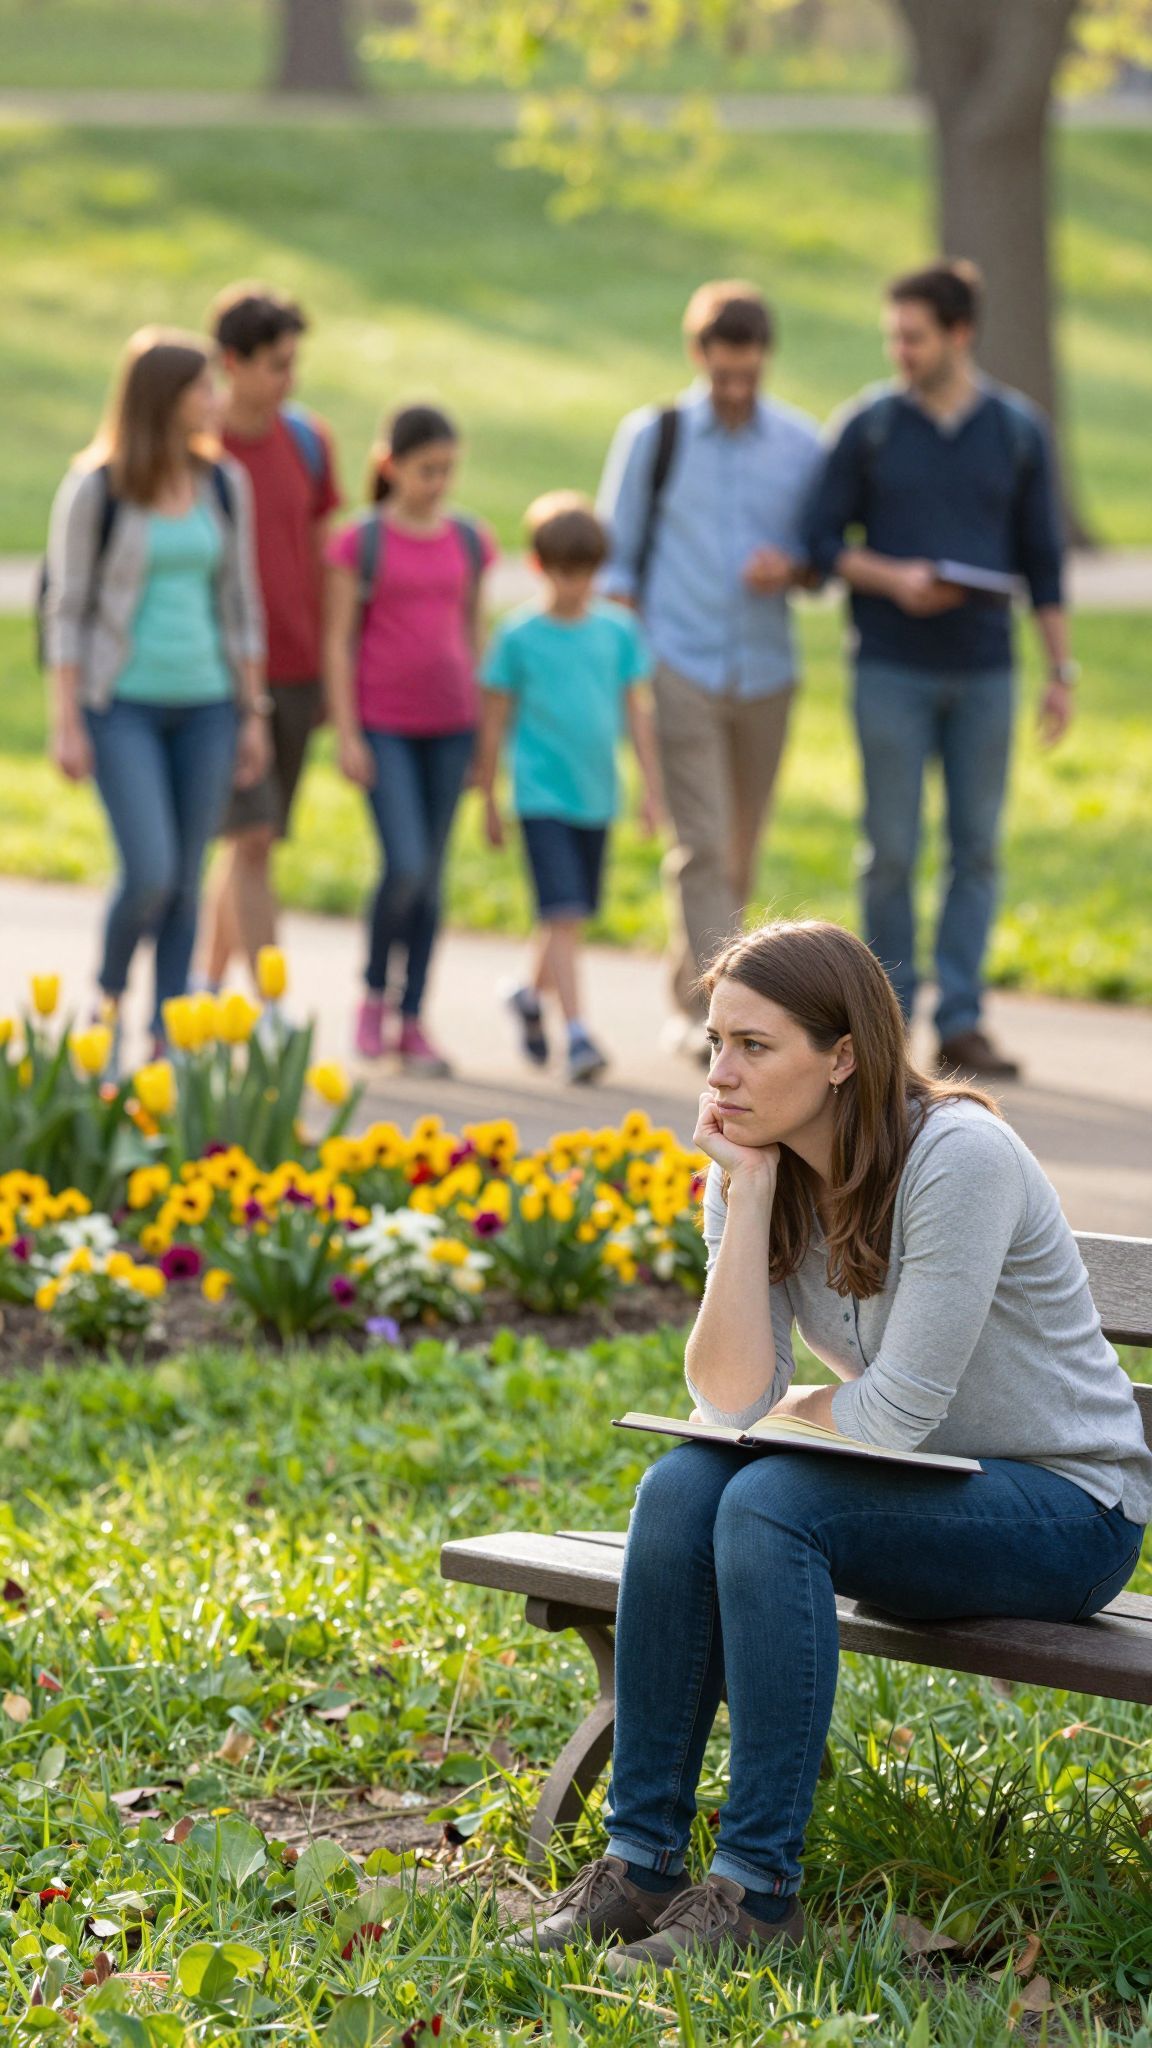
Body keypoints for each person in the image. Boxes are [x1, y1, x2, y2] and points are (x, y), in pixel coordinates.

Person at [509, 918, 1151, 1972]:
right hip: (921, 1495)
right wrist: (748, 1196)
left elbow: (892, 1415)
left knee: (765, 1503)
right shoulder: (758, 1168)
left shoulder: (958, 1158)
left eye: (755, 1046)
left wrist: (802, 1410)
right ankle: (642, 1866)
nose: (722, 1073)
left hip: (1068, 1511)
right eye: (715, 1041)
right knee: (682, 1485)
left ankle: (758, 1888)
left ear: (843, 1052)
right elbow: (731, 1395)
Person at [804, 260, 1074, 1082]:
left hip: (986, 672)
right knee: (888, 847)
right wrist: (895, 579)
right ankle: (885, 1019)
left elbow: (1044, 564)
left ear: (961, 334)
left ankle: (961, 1021)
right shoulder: (870, 426)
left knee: (977, 849)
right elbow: (819, 547)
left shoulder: (1018, 432)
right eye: (893, 335)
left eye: (914, 336)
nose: (900, 350)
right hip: (890, 667)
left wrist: (1061, 670)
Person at [598, 280, 824, 1065]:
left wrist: (790, 569)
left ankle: (688, 984)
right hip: (678, 662)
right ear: (699, 357)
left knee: (737, 853)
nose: (735, 390)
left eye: (749, 375)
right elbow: (615, 560)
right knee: (698, 845)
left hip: (767, 670)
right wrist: (629, 669)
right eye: (723, 374)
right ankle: (713, 1018)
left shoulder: (800, 443)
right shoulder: (652, 436)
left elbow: (820, 559)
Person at [44, 328, 268, 1061]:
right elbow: (66, 609)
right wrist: (66, 720)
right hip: (123, 707)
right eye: (204, 388)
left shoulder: (223, 484)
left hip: (207, 703)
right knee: (150, 871)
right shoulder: (97, 486)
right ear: (165, 399)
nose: (217, 400)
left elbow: (241, 605)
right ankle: (107, 1000)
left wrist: (251, 712)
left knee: (188, 876)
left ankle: (169, 1035)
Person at [324, 404, 496, 1077]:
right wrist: (346, 733)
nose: (439, 482)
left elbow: (477, 634)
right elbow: (338, 643)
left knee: (432, 880)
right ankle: (372, 996)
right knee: (405, 866)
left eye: (449, 469)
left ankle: (414, 1018)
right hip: (384, 725)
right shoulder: (357, 542)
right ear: (391, 464)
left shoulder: (471, 540)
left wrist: (487, 735)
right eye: (428, 469)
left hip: (452, 724)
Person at [474, 492, 662, 1084]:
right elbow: (495, 719)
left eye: (585, 573)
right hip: (539, 794)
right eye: (562, 572)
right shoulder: (518, 637)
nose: (575, 585)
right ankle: (577, 1033)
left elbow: (637, 715)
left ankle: (529, 998)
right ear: (538, 566)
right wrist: (487, 797)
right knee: (562, 908)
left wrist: (651, 791)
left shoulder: (618, 632)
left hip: (596, 794)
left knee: (568, 914)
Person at [202, 284, 342, 992]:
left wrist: (329, 668)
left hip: (297, 668)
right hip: (223, 673)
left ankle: (203, 995)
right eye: (276, 364)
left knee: (251, 842)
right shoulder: (198, 448)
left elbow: (323, 558)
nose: (289, 378)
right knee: (251, 838)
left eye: (294, 363)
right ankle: (269, 1010)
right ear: (233, 361)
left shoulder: (308, 441)